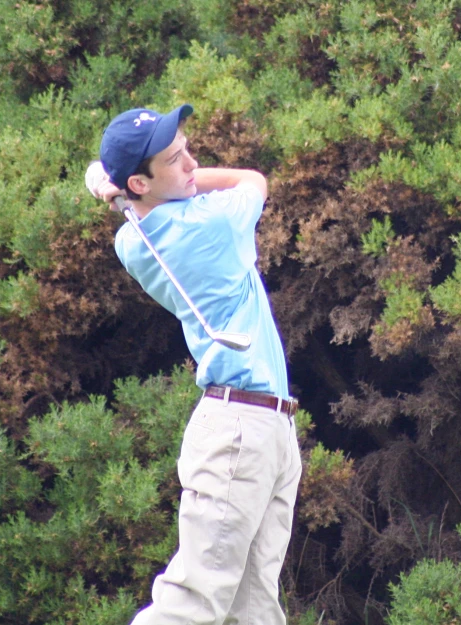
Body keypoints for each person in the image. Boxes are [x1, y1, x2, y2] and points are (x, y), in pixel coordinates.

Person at [91, 104, 302, 625]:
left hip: (268, 427)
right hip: (239, 429)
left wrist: (118, 186)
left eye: (188, 149)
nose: (190, 164)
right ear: (140, 181)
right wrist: (115, 185)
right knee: (192, 602)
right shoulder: (212, 224)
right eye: (175, 159)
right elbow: (252, 179)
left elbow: (129, 193)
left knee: (255, 610)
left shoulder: (132, 239)